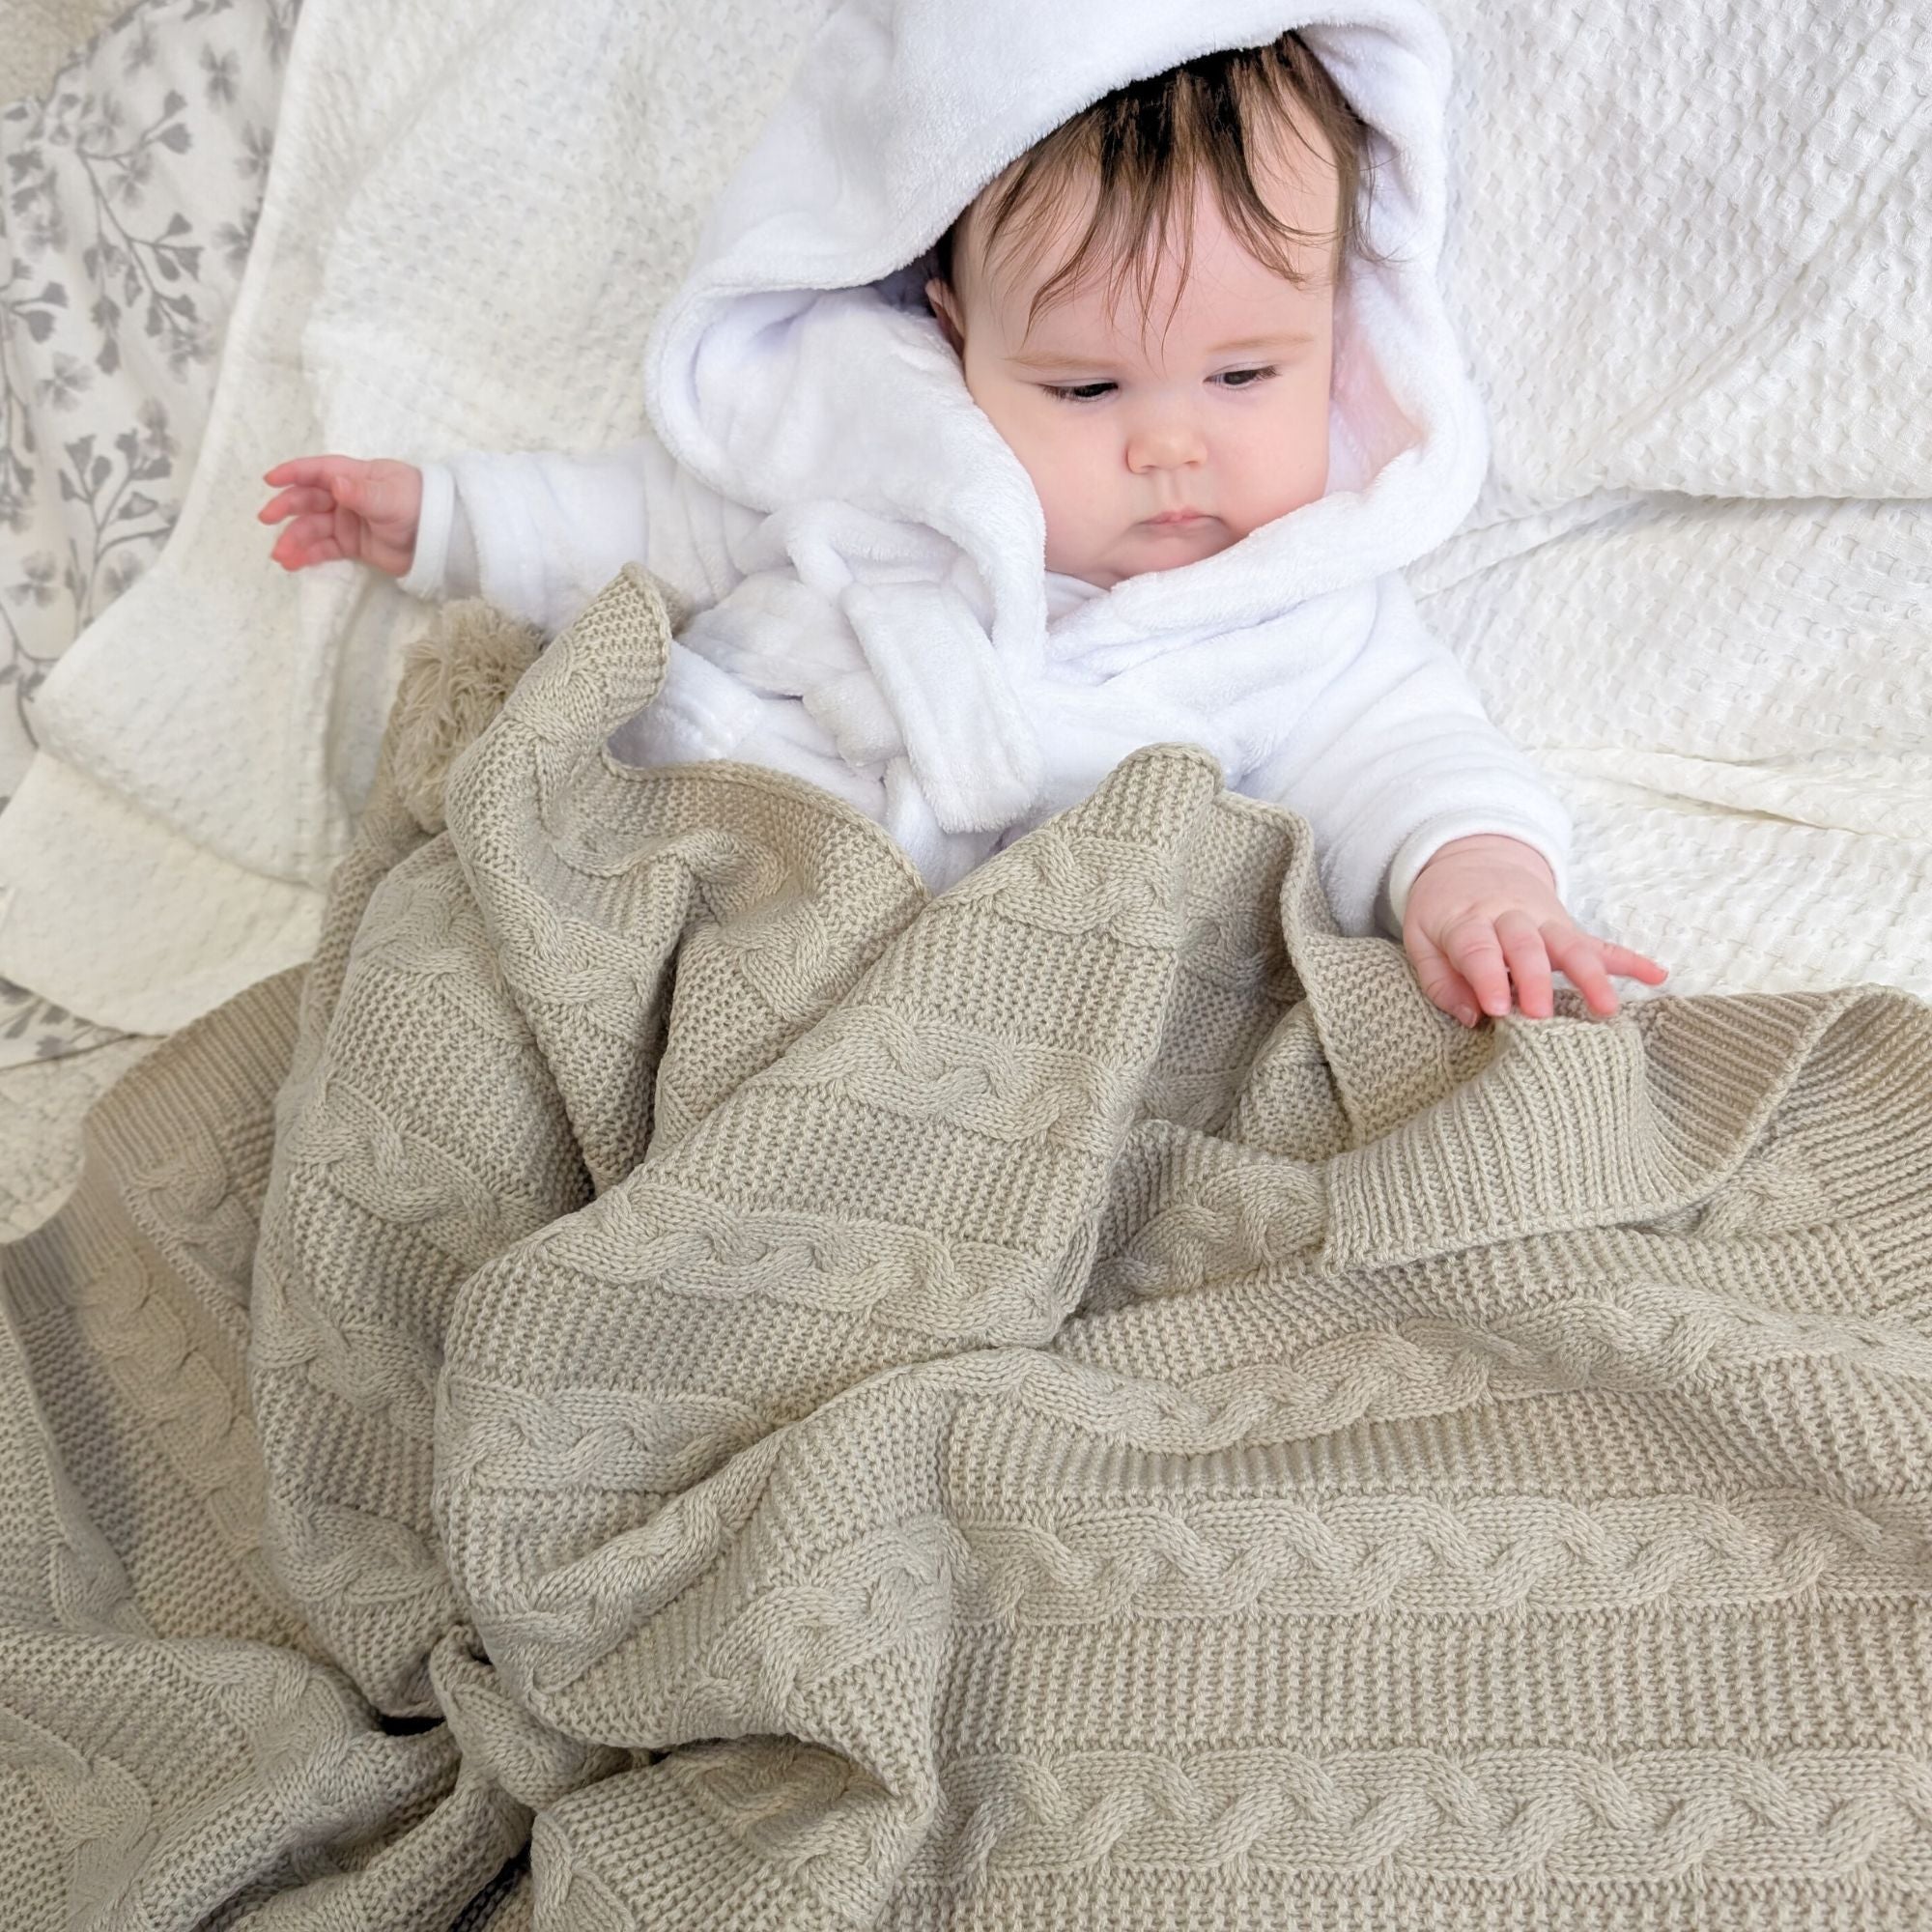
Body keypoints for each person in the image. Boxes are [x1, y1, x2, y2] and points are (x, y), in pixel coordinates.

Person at [258, 0, 1667, 1029]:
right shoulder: (866, 441)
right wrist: (445, 516)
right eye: (1085, 384)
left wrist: (1480, 882)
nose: (1172, 443)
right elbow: (639, 520)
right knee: (463, 971)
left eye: (1245, 374)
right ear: (952, 336)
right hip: (722, 859)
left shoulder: (1297, 600)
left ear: (1344, 337)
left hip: (1004, 1009)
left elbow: (1407, 753)